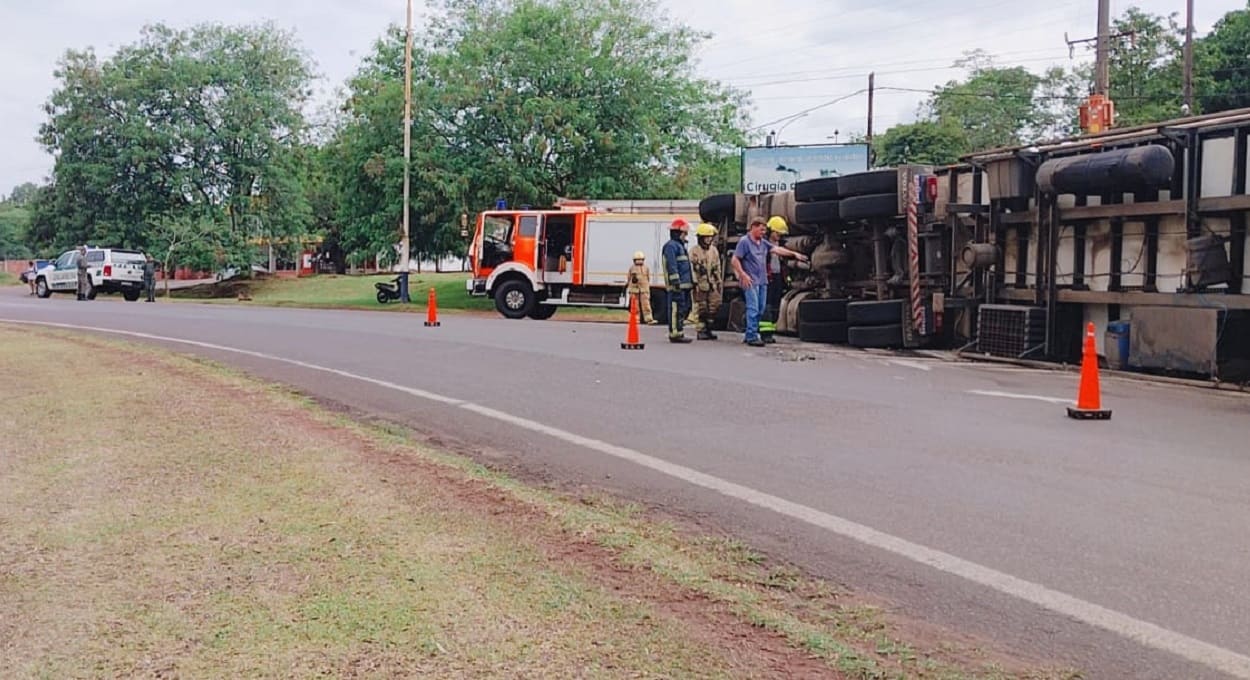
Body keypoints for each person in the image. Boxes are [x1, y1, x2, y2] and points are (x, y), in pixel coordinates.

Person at [732, 216, 808, 347]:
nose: (763, 233)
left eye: (764, 230)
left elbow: (777, 250)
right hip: (750, 281)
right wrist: (742, 274)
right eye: (761, 230)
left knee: (761, 309)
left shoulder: (763, 243)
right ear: (753, 227)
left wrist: (794, 254)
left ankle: (751, 333)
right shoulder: (744, 242)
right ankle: (751, 336)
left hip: (762, 281)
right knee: (753, 308)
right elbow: (735, 259)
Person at [661, 217, 694, 343]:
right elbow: (672, 265)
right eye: (684, 233)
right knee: (675, 310)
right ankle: (675, 334)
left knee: (682, 309)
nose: (686, 235)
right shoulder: (671, 246)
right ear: (678, 233)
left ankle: (679, 332)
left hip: (684, 286)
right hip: (677, 286)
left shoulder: (680, 246)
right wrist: (675, 282)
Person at [689, 223, 723, 340]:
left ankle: (709, 328)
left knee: (715, 305)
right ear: (700, 238)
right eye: (706, 237)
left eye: (710, 237)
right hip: (700, 284)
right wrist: (694, 282)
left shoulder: (714, 251)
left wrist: (719, 281)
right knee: (701, 307)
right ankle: (701, 330)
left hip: (712, 283)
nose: (709, 240)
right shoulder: (694, 251)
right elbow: (691, 268)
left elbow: (717, 266)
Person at [625, 250, 653, 324]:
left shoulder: (646, 268)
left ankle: (648, 319)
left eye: (640, 260)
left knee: (646, 304)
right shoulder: (632, 268)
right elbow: (629, 278)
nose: (639, 261)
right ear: (634, 261)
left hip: (644, 289)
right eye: (637, 260)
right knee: (635, 305)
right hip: (634, 289)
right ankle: (636, 319)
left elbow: (648, 278)